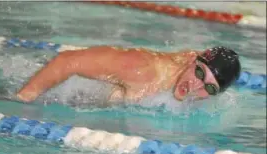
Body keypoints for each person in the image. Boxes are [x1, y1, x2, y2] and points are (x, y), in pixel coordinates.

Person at [16, 46, 241, 105]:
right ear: (194, 59)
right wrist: (24, 100)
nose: (194, 86)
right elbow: (67, 61)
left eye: (209, 88)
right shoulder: (142, 70)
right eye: (199, 72)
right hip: (62, 96)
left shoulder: (189, 69)